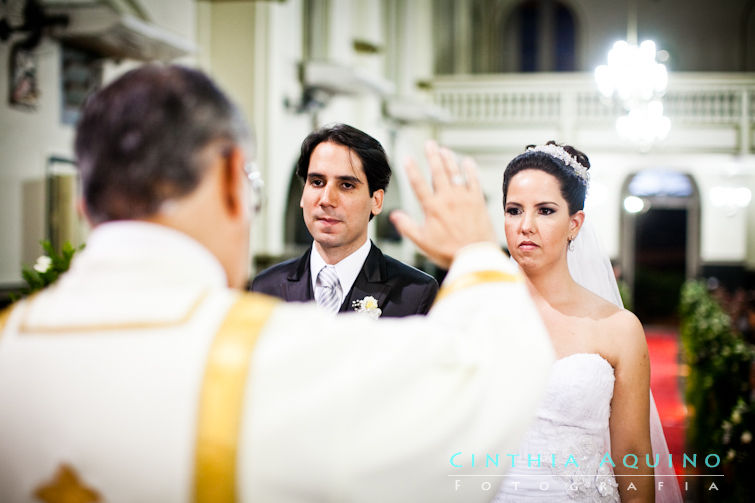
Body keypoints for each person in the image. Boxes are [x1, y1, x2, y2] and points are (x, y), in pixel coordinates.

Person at [0, 64, 554, 502]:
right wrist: (479, 254)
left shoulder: (10, 347)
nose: (324, 197)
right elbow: (489, 390)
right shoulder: (260, 355)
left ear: (83, 199)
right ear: (230, 178)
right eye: (313, 181)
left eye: (344, 184)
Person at [493, 142, 682, 503]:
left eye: (545, 211)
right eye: (514, 210)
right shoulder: (475, 312)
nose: (525, 226)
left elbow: (632, 453)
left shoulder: (618, 327)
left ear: (574, 224)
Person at [252, 123, 438, 317]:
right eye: (317, 182)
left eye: (346, 185)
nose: (326, 200)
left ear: (376, 200)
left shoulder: (414, 293)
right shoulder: (266, 288)